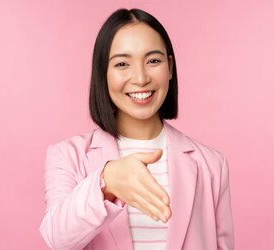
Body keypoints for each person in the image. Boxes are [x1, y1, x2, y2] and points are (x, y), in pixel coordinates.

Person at [39, 8, 234, 250]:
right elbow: (57, 239)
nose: (140, 78)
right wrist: (106, 182)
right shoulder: (66, 155)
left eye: (153, 61)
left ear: (170, 68)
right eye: (122, 64)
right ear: (103, 73)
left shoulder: (213, 164)